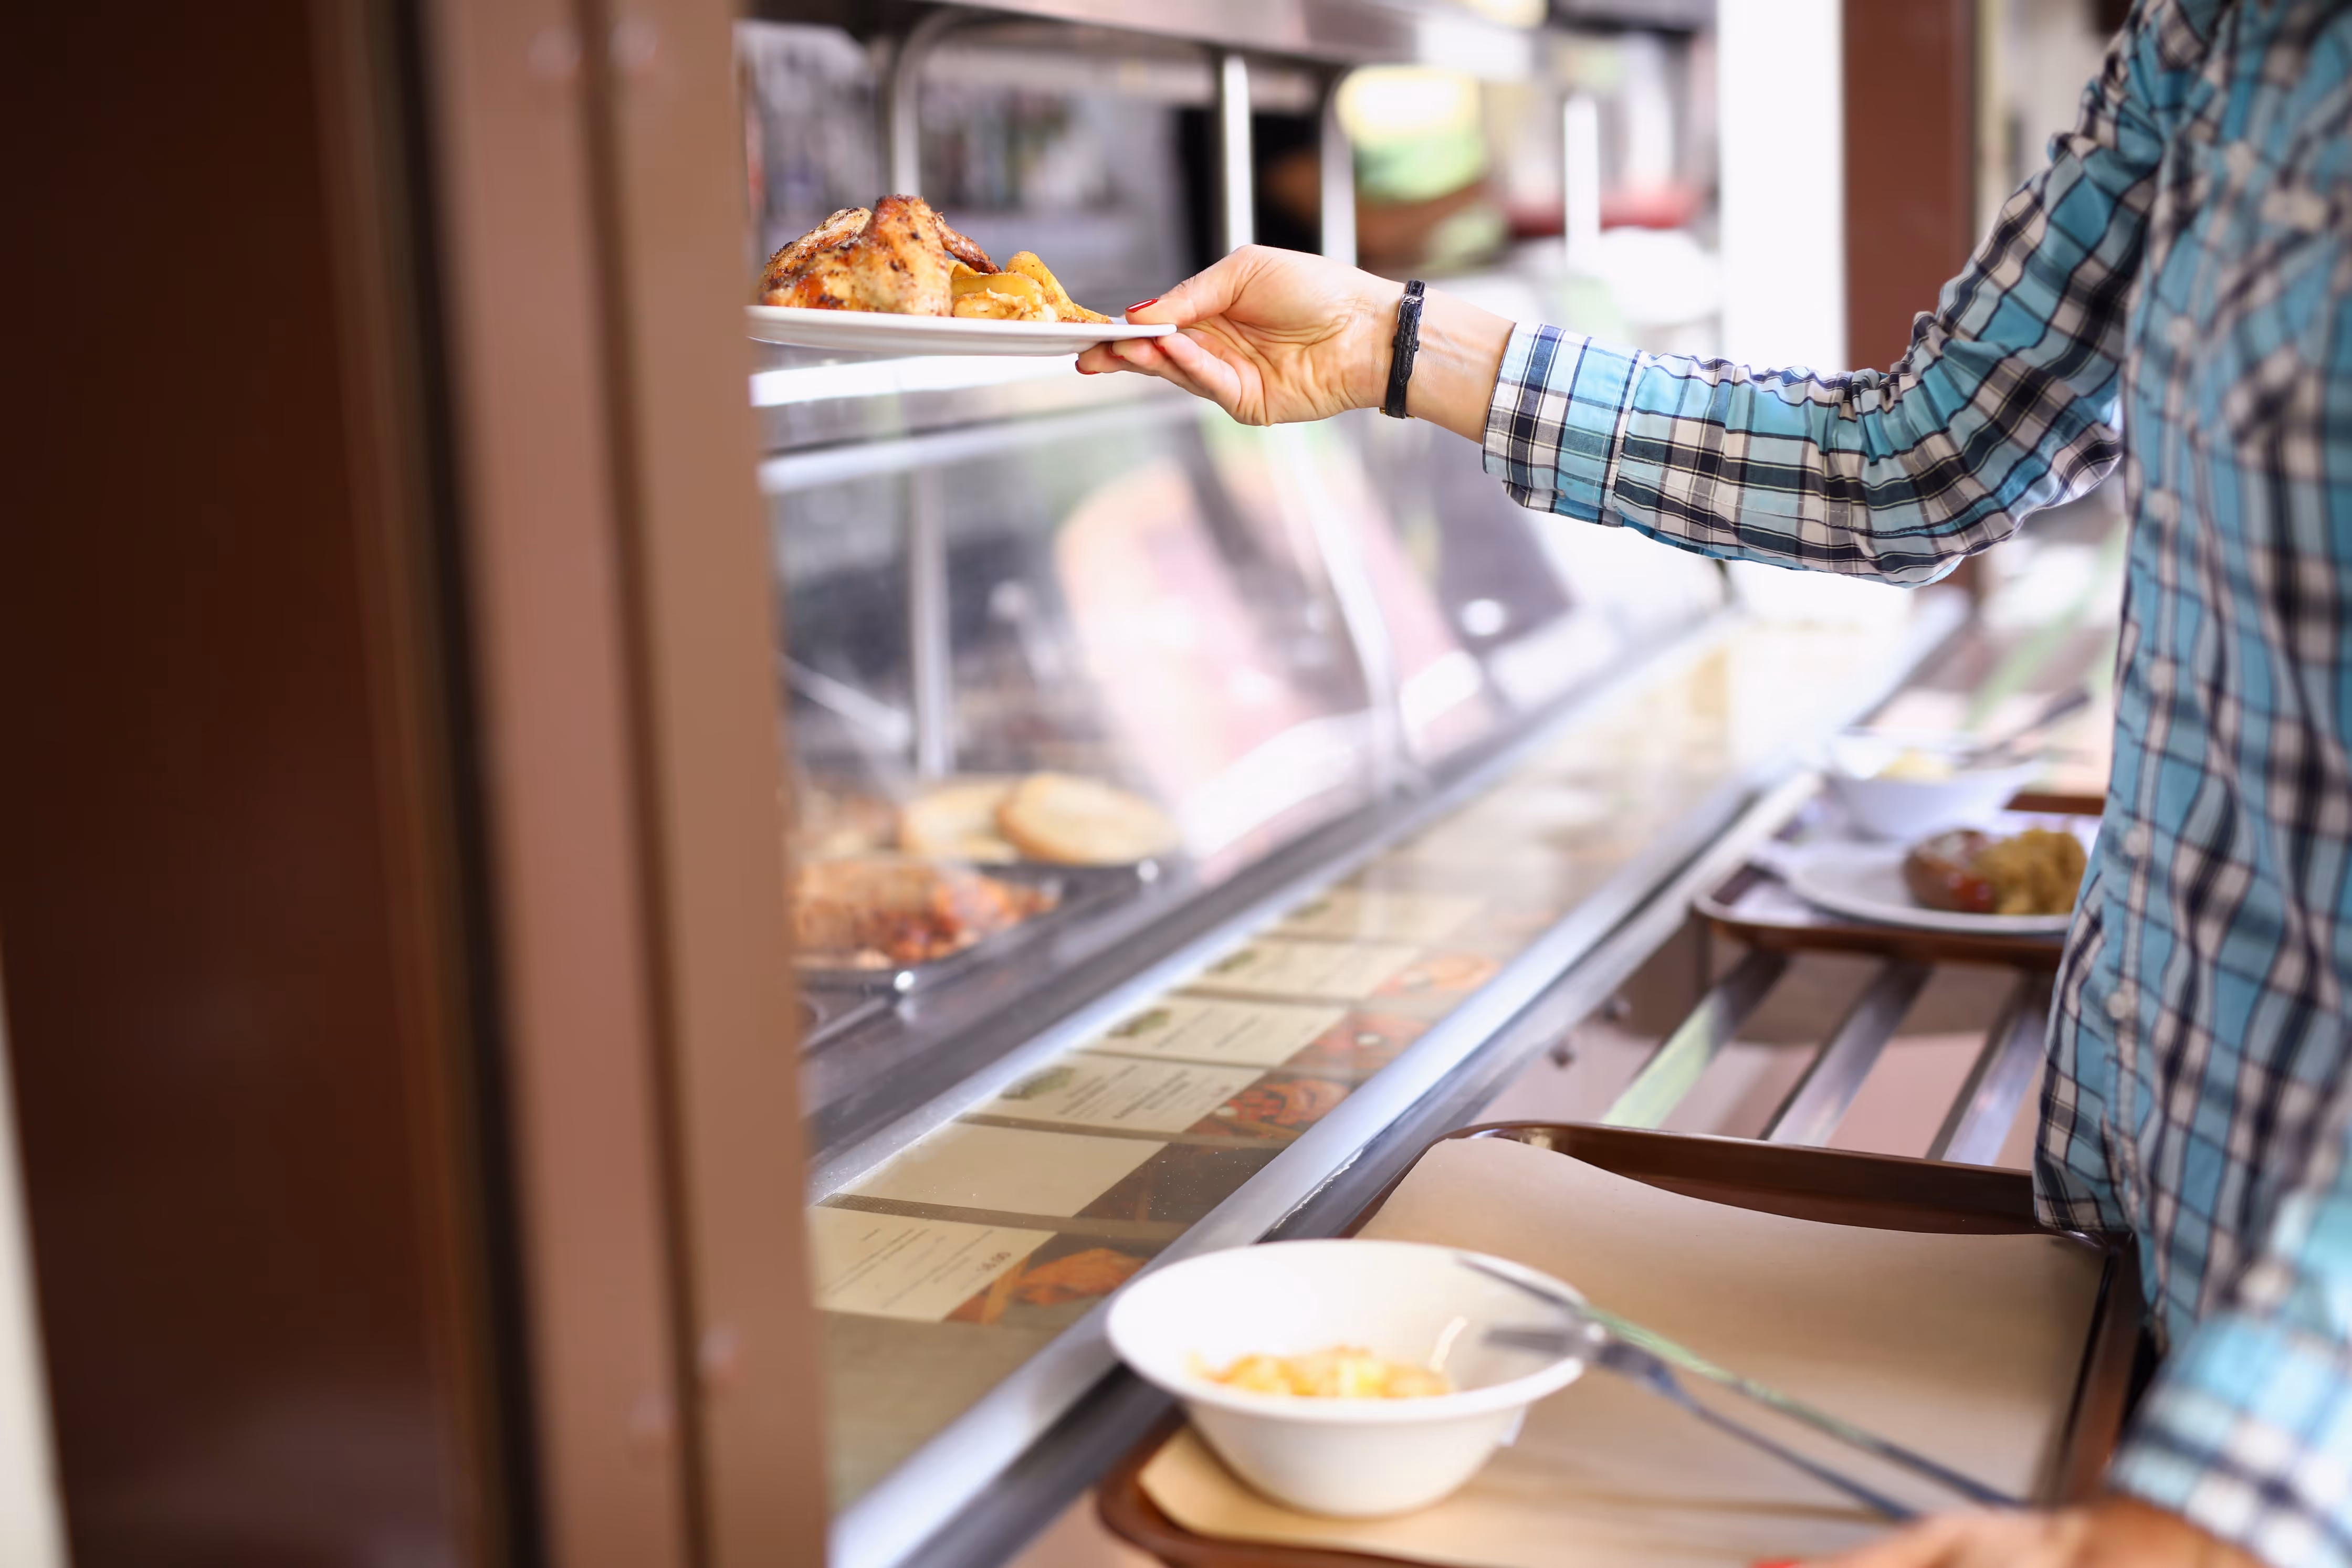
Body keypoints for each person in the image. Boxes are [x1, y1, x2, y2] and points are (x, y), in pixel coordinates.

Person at [1080, 3, 2350, 1565]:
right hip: (2143, 1261)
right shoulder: (2216, 36)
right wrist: (1407, 346)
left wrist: (2214, 1515)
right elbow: (1919, 457)